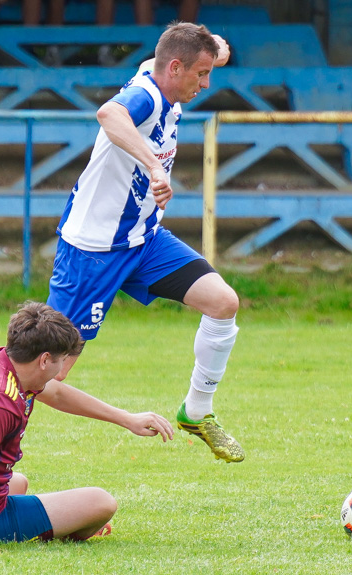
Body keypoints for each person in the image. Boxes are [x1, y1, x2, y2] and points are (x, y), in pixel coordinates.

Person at [46, 22, 243, 463]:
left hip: (143, 241)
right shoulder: (146, 97)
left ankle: (197, 411)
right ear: (175, 67)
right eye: (201, 74)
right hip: (93, 252)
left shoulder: (167, 76)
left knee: (223, 302)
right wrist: (154, 166)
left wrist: (217, 47)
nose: (206, 83)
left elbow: (203, 53)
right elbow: (109, 115)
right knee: (43, 375)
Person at [0, 302, 174, 556]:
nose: (63, 370)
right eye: (62, 360)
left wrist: (127, 419)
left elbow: (56, 394)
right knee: (100, 503)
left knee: (19, 482)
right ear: (45, 360)